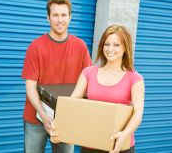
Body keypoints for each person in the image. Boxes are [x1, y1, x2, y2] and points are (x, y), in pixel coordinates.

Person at [51, 24, 145, 153]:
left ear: (125, 48)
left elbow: (138, 114)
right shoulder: (88, 73)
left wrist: (124, 134)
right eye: (107, 44)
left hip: (119, 145)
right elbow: (71, 105)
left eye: (116, 45)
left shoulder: (135, 78)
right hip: (91, 145)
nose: (110, 49)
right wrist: (59, 129)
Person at [22, 0, 92, 153]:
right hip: (36, 118)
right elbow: (30, 87)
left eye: (63, 15)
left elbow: (88, 82)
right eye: (55, 15)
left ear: (70, 17)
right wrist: (43, 115)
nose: (60, 20)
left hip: (67, 119)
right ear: (48, 17)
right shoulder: (36, 47)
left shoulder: (80, 46)